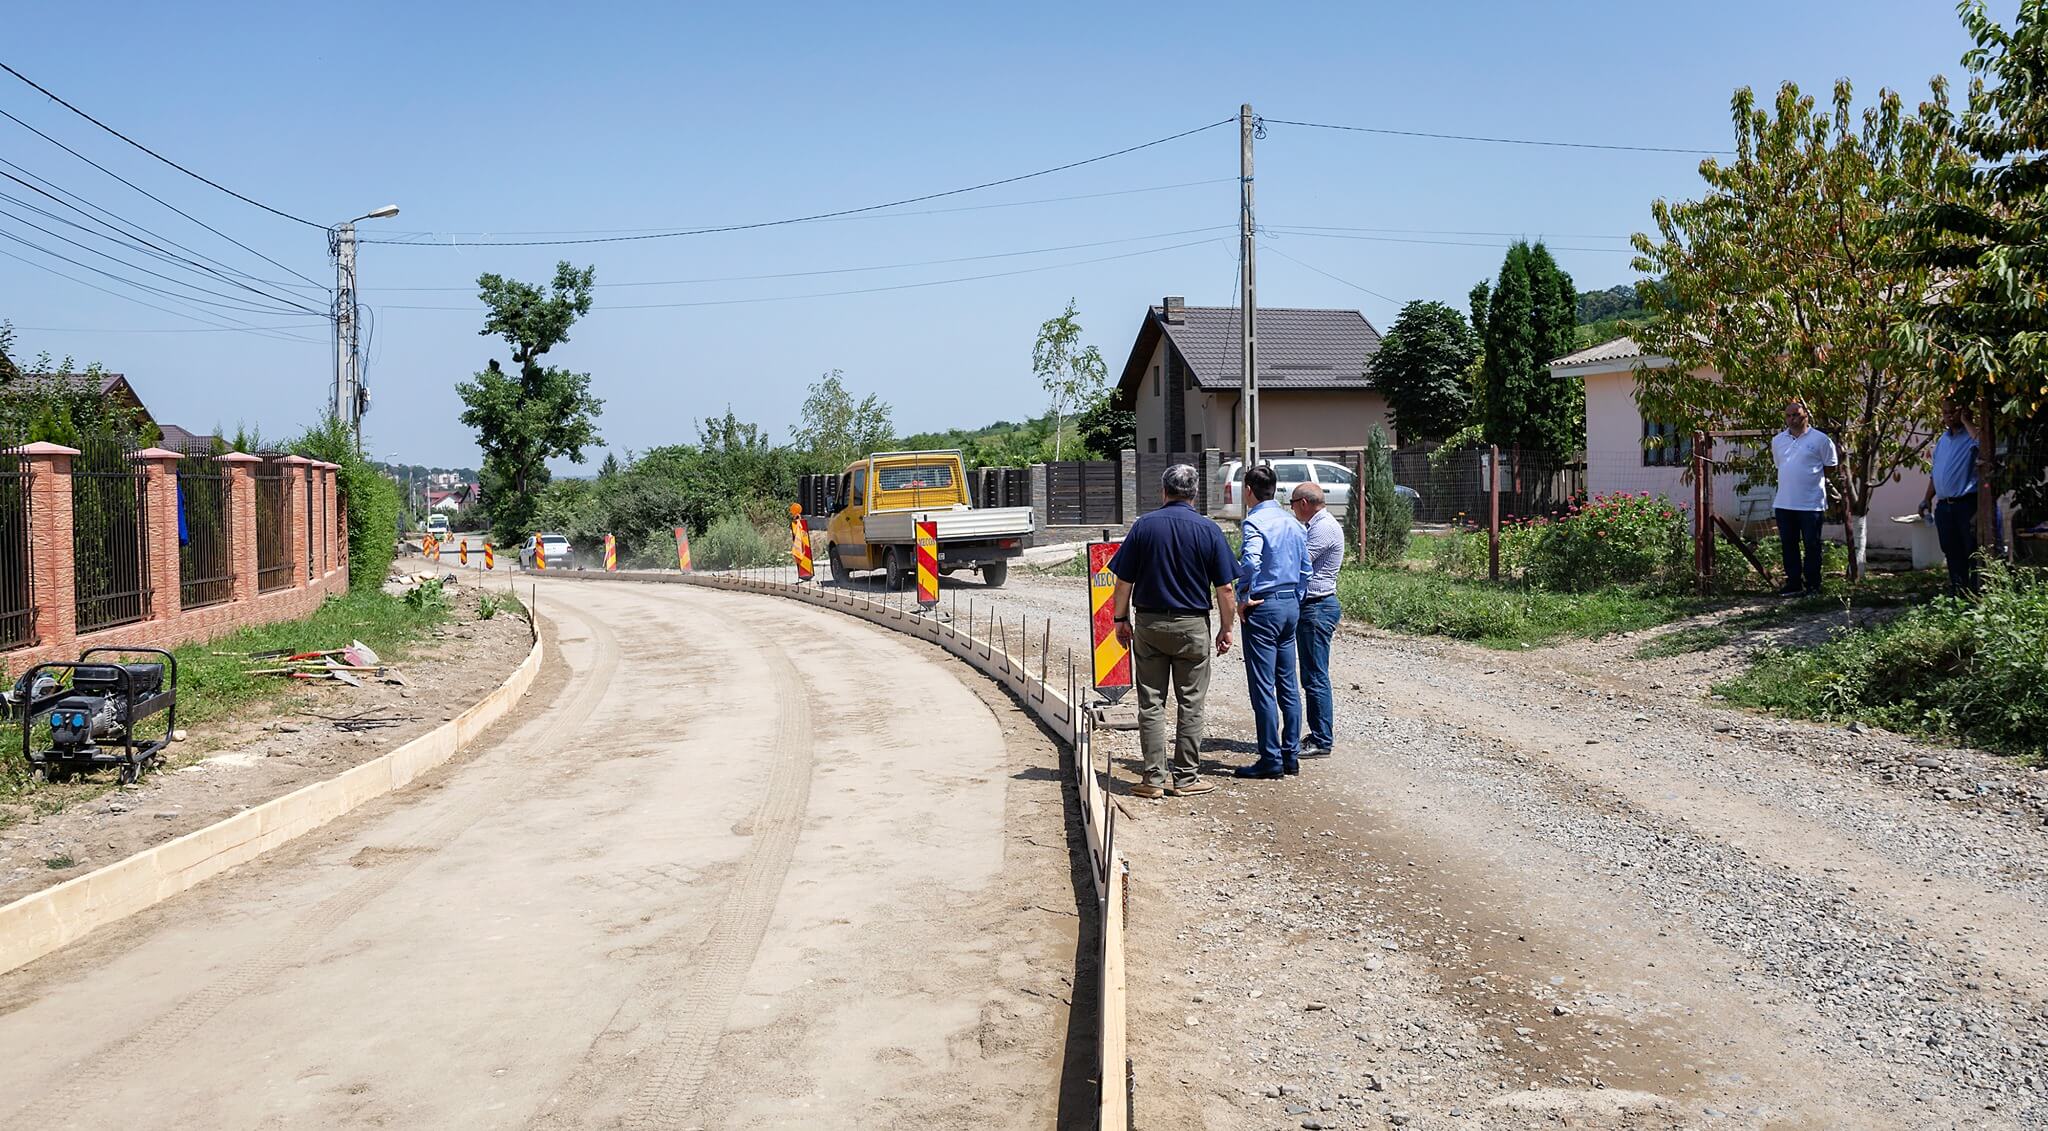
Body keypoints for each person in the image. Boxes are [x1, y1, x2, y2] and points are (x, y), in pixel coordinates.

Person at [1108, 464, 1239, 800]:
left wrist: (1120, 619)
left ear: (1163, 491)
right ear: (1194, 493)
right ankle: (1186, 779)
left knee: (1151, 702)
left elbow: (1123, 581)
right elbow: (1225, 589)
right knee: (1191, 703)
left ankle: (1153, 779)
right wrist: (1227, 628)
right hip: (1192, 626)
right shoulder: (1209, 530)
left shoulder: (1144, 526)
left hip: (1149, 624)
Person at [1233, 464, 1311, 780]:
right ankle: (1291, 755)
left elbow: (1251, 561)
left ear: (1248, 490)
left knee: (1263, 686)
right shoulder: (1293, 522)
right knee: (1288, 682)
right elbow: (1306, 569)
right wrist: (1296, 598)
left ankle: (1270, 758)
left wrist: (1243, 593)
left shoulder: (1255, 522)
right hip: (1290, 603)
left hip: (1263, 606)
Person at [1290, 482, 1345, 758]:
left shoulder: (1322, 528)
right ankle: (1318, 734)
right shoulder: (1317, 524)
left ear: (1303, 503)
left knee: (1315, 675)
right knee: (1312, 673)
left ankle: (1322, 739)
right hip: (1314, 607)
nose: (1292, 510)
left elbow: (1299, 561)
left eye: (1292, 504)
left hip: (1317, 607)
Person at [1771, 399, 1838, 597]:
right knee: (1788, 544)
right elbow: (1780, 465)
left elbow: (1830, 467)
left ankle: (1813, 585)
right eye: (1788, 416)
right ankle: (1794, 583)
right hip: (1785, 502)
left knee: (1812, 545)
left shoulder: (1821, 440)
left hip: (1811, 503)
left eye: (1796, 415)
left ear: (1806, 416)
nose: (1792, 419)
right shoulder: (1778, 440)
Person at [1921, 396, 1982, 596]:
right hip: (1944, 507)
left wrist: (1966, 421)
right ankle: (1958, 591)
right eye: (1945, 412)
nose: (1948, 416)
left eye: (1952, 411)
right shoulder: (1942, 440)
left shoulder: (1972, 435)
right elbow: (1935, 473)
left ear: (1963, 411)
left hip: (1966, 504)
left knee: (1971, 549)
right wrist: (1927, 498)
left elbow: (1984, 446)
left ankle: (1976, 593)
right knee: (1951, 549)